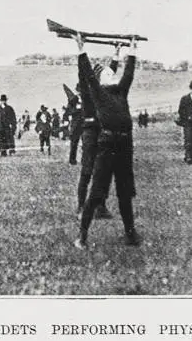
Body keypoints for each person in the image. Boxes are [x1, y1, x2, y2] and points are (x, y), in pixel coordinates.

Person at [74, 34, 141, 249]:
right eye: (107, 73)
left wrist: (132, 49)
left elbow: (128, 73)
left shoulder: (121, 91)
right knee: (96, 193)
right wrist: (81, 48)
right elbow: (88, 74)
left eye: (113, 72)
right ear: (101, 80)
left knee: (124, 193)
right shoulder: (98, 93)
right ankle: (82, 236)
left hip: (124, 146)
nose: (112, 73)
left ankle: (130, 234)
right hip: (107, 146)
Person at [75, 46, 121, 220]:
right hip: (90, 134)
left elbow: (111, 72)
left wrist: (116, 54)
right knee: (87, 171)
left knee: (102, 172)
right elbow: (83, 71)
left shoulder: (106, 93)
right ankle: (81, 207)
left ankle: (101, 207)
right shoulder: (87, 91)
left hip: (103, 133)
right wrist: (81, 49)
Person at [178, 80, 192, 164]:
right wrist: (187, 117)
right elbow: (181, 110)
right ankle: (188, 157)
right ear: (190, 89)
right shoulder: (184, 98)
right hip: (188, 123)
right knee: (188, 140)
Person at [66, 85, 84, 165]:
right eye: (79, 91)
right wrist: (77, 109)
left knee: (86, 143)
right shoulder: (73, 100)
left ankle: (84, 159)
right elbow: (68, 111)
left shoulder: (87, 99)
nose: (80, 93)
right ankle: (72, 159)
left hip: (85, 123)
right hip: (76, 124)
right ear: (77, 91)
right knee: (74, 143)